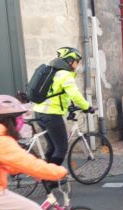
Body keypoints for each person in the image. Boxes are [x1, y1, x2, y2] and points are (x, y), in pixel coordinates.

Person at [32, 47, 93, 181]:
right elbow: (75, 94)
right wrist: (87, 107)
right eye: (76, 61)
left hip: (39, 113)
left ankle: (46, 174)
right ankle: (51, 179)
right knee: (61, 147)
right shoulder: (64, 74)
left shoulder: (53, 72)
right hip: (51, 115)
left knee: (52, 146)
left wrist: (69, 106)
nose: (77, 64)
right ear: (69, 60)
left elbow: (59, 94)